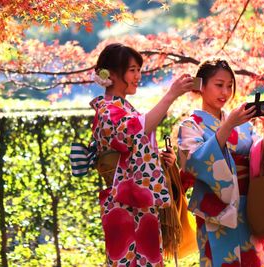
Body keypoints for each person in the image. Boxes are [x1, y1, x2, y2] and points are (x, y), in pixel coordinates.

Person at [72, 43, 195, 266]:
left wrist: (162, 160)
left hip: (136, 202)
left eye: (139, 69)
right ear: (112, 74)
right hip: (123, 204)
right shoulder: (108, 110)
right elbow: (137, 129)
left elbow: (140, 142)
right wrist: (171, 95)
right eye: (132, 70)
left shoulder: (122, 107)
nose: (138, 75)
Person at [177, 59, 264, 266]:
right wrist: (228, 126)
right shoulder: (191, 126)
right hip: (216, 210)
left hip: (250, 209)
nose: (225, 92)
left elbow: (263, 160)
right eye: (219, 85)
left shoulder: (242, 124)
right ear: (201, 86)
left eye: (230, 86)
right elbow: (194, 162)